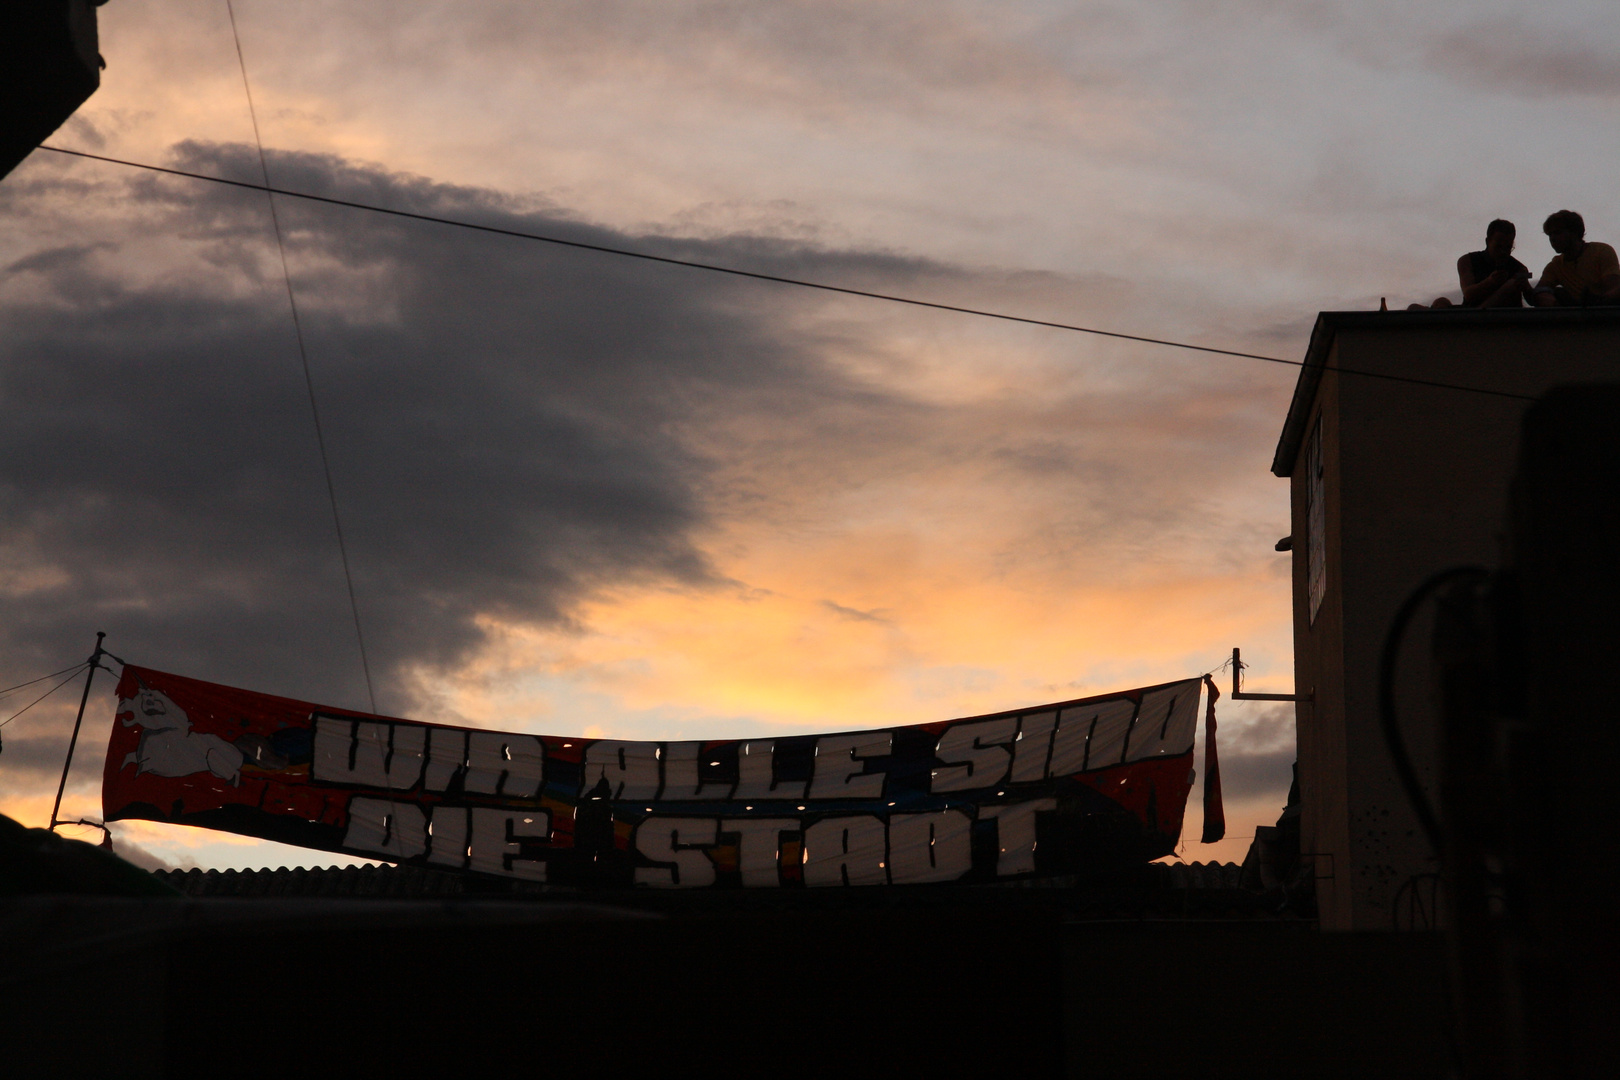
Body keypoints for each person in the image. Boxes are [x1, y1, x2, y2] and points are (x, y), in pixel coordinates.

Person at [1409, 219, 1532, 309]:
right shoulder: (1467, 261)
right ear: (1487, 241)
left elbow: (1533, 301)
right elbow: (1469, 295)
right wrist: (1490, 282)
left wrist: (1526, 288)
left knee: (1511, 286)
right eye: (1498, 247)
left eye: (1508, 247)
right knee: (1434, 304)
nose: (1503, 252)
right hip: (1471, 314)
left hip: (1502, 319)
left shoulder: (1519, 268)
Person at [1531, 210, 1620, 306]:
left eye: (1557, 233)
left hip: (1606, 312)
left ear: (1574, 232)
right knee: (1558, 293)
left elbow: (1614, 288)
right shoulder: (1555, 265)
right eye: (1550, 235)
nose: (1552, 238)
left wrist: (1596, 302)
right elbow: (1539, 292)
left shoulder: (1601, 251)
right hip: (1575, 315)